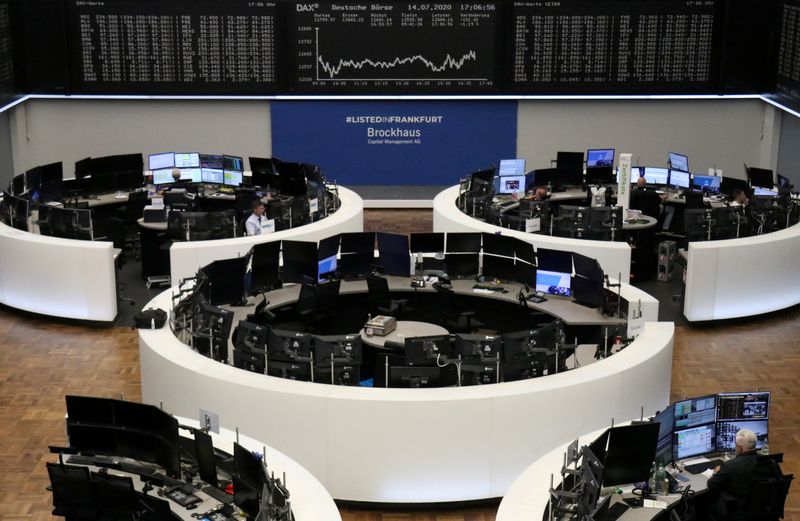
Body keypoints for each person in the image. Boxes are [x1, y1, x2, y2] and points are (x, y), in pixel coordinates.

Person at [703, 429, 782, 520]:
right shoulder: (771, 463)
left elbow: (711, 485)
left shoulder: (731, 466)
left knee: (705, 503)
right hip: (766, 512)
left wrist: (716, 472)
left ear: (740, 448)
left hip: (738, 513)